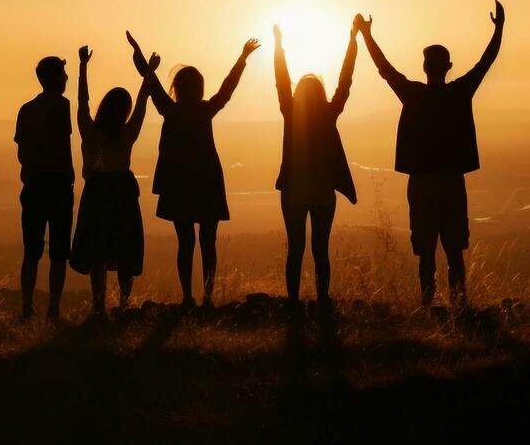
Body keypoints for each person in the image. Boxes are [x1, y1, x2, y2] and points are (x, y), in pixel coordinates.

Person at [356, 1, 504, 309]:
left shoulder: (413, 94)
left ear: (425, 67)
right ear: (448, 66)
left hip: (422, 183)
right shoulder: (458, 92)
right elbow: (485, 63)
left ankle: (427, 307)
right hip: (451, 182)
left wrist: (366, 35)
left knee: (426, 250)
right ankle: (459, 307)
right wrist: (499, 29)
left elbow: (384, 69)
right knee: (454, 251)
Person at [125, 30, 260, 308]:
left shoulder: (170, 110)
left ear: (177, 87)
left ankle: (188, 296)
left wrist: (140, 56)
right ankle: (207, 297)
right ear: (199, 88)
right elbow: (228, 88)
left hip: (178, 183)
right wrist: (243, 57)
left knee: (185, 242)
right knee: (207, 242)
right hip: (207, 181)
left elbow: (149, 81)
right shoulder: (205, 109)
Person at [272, 19, 359, 307]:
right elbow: (345, 82)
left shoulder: (290, 112)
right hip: (322, 192)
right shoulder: (328, 113)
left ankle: (294, 302)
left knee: (295, 249)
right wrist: (352, 41)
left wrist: (278, 45)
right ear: (320, 94)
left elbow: (281, 80)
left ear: (299, 94)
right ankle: (322, 300)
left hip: (294, 191)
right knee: (320, 249)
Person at [69, 44, 158, 316]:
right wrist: (149, 75)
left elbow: (82, 103)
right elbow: (142, 105)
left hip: (96, 191)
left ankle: (99, 307)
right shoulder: (127, 133)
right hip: (122, 192)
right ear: (124, 111)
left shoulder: (90, 131)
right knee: (125, 248)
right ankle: (124, 304)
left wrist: (83, 66)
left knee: (98, 250)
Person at [13, 55, 75, 321]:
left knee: (31, 252)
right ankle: (53, 309)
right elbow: (63, 146)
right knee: (59, 253)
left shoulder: (26, 110)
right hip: (58, 185)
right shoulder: (62, 106)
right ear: (55, 78)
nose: (66, 78)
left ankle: (27, 308)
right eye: (63, 73)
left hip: (35, 185)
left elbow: (21, 153)